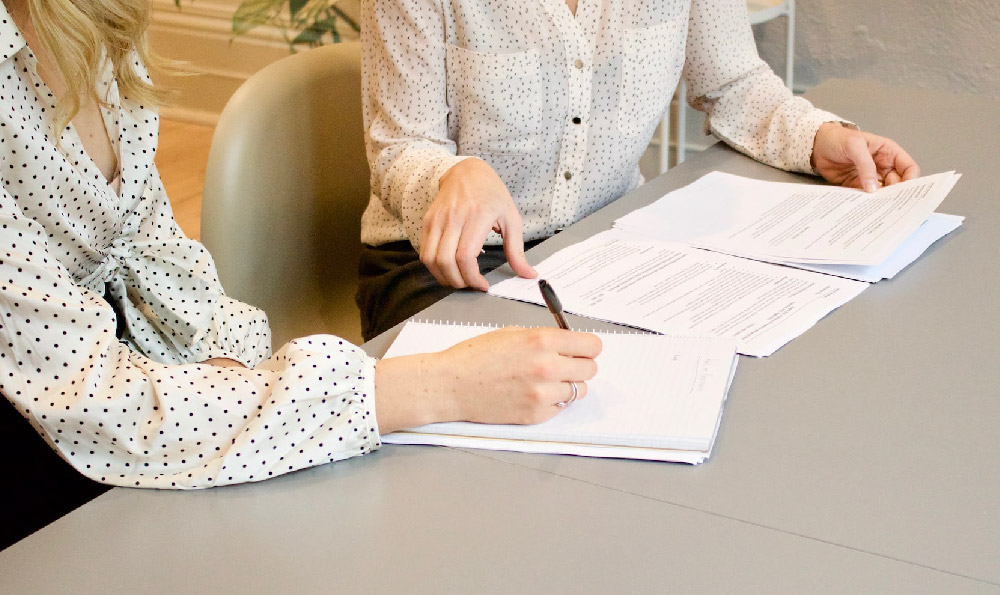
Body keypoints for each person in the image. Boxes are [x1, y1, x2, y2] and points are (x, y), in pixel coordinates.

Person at [0, 0, 601, 549]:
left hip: (128, 404)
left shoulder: (91, 19)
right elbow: (99, 400)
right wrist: (436, 386)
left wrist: (231, 369)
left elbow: (153, 247)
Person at [356, 0, 922, 340]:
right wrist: (452, 175)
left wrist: (820, 138)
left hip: (604, 247)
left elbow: (733, 83)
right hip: (441, 264)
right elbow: (400, 145)